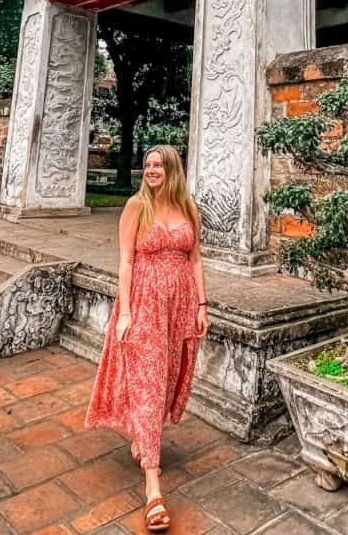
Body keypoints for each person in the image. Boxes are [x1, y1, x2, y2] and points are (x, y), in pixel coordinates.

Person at [84, 144, 209, 532]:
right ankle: (153, 487)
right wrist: (124, 312)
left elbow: (196, 259)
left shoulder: (189, 208)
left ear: (172, 169)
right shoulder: (137, 207)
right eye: (148, 165)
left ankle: (144, 435)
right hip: (144, 301)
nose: (151, 170)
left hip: (181, 305)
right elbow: (126, 261)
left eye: (158, 165)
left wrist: (203, 306)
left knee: (167, 378)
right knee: (149, 381)